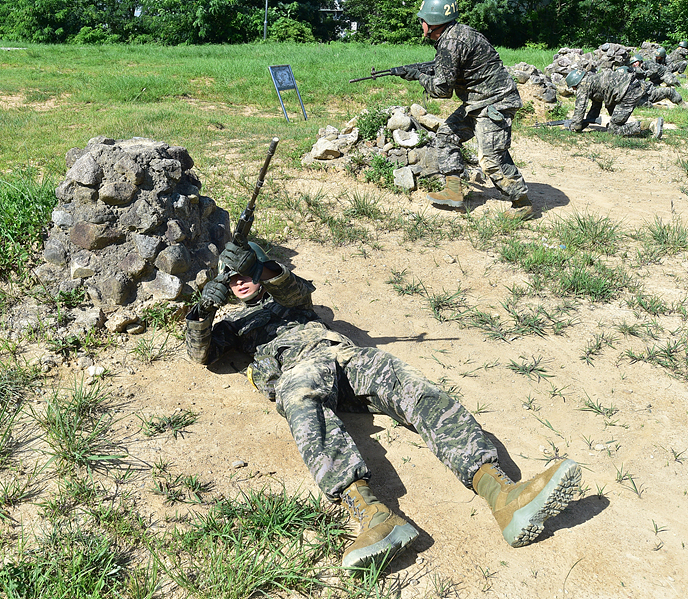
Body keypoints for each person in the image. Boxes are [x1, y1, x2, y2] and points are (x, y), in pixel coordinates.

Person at [185, 240, 583, 570]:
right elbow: (200, 354)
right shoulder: (232, 327)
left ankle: (502, 494)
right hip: (298, 370)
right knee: (301, 404)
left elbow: (298, 290)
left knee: (418, 391)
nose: (239, 282)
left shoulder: (286, 300)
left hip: (343, 356)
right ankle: (374, 515)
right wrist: (203, 311)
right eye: (230, 277)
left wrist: (265, 266)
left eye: (245, 272)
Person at [396, 0, 533, 219]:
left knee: (491, 158)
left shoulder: (451, 41)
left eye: (422, 19)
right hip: (477, 102)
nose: (420, 23)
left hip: (495, 102)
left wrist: (419, 77)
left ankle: (521, 202)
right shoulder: (455, 34)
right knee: (447, 134)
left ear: (433, 21)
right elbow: (450, 69)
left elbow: (442, 90)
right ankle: (453, 190)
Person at [566, 68, 663, 138]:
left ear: (575, 83)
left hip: (628, 92)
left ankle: (650, 125)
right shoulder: (593, 80)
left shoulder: (583, 85)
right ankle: (634, 127)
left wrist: (575, 126)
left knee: (613, 129)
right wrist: (584, 123)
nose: (574, 90)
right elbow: (595, 108)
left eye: (573, 87)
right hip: (633, 87)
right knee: (615, 122)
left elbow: (580, 107)